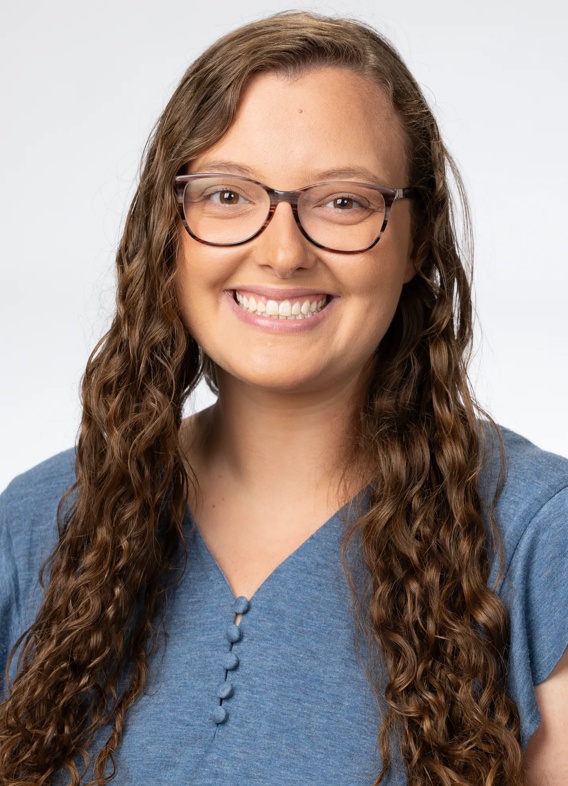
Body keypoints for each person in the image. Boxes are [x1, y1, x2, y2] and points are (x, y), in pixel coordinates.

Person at [0, 10, 566, 786]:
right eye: (227, 195)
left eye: (343, 202)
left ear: (416, 242)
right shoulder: (34, 523)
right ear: (170, 229)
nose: (282, 252)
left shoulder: (539, 538)